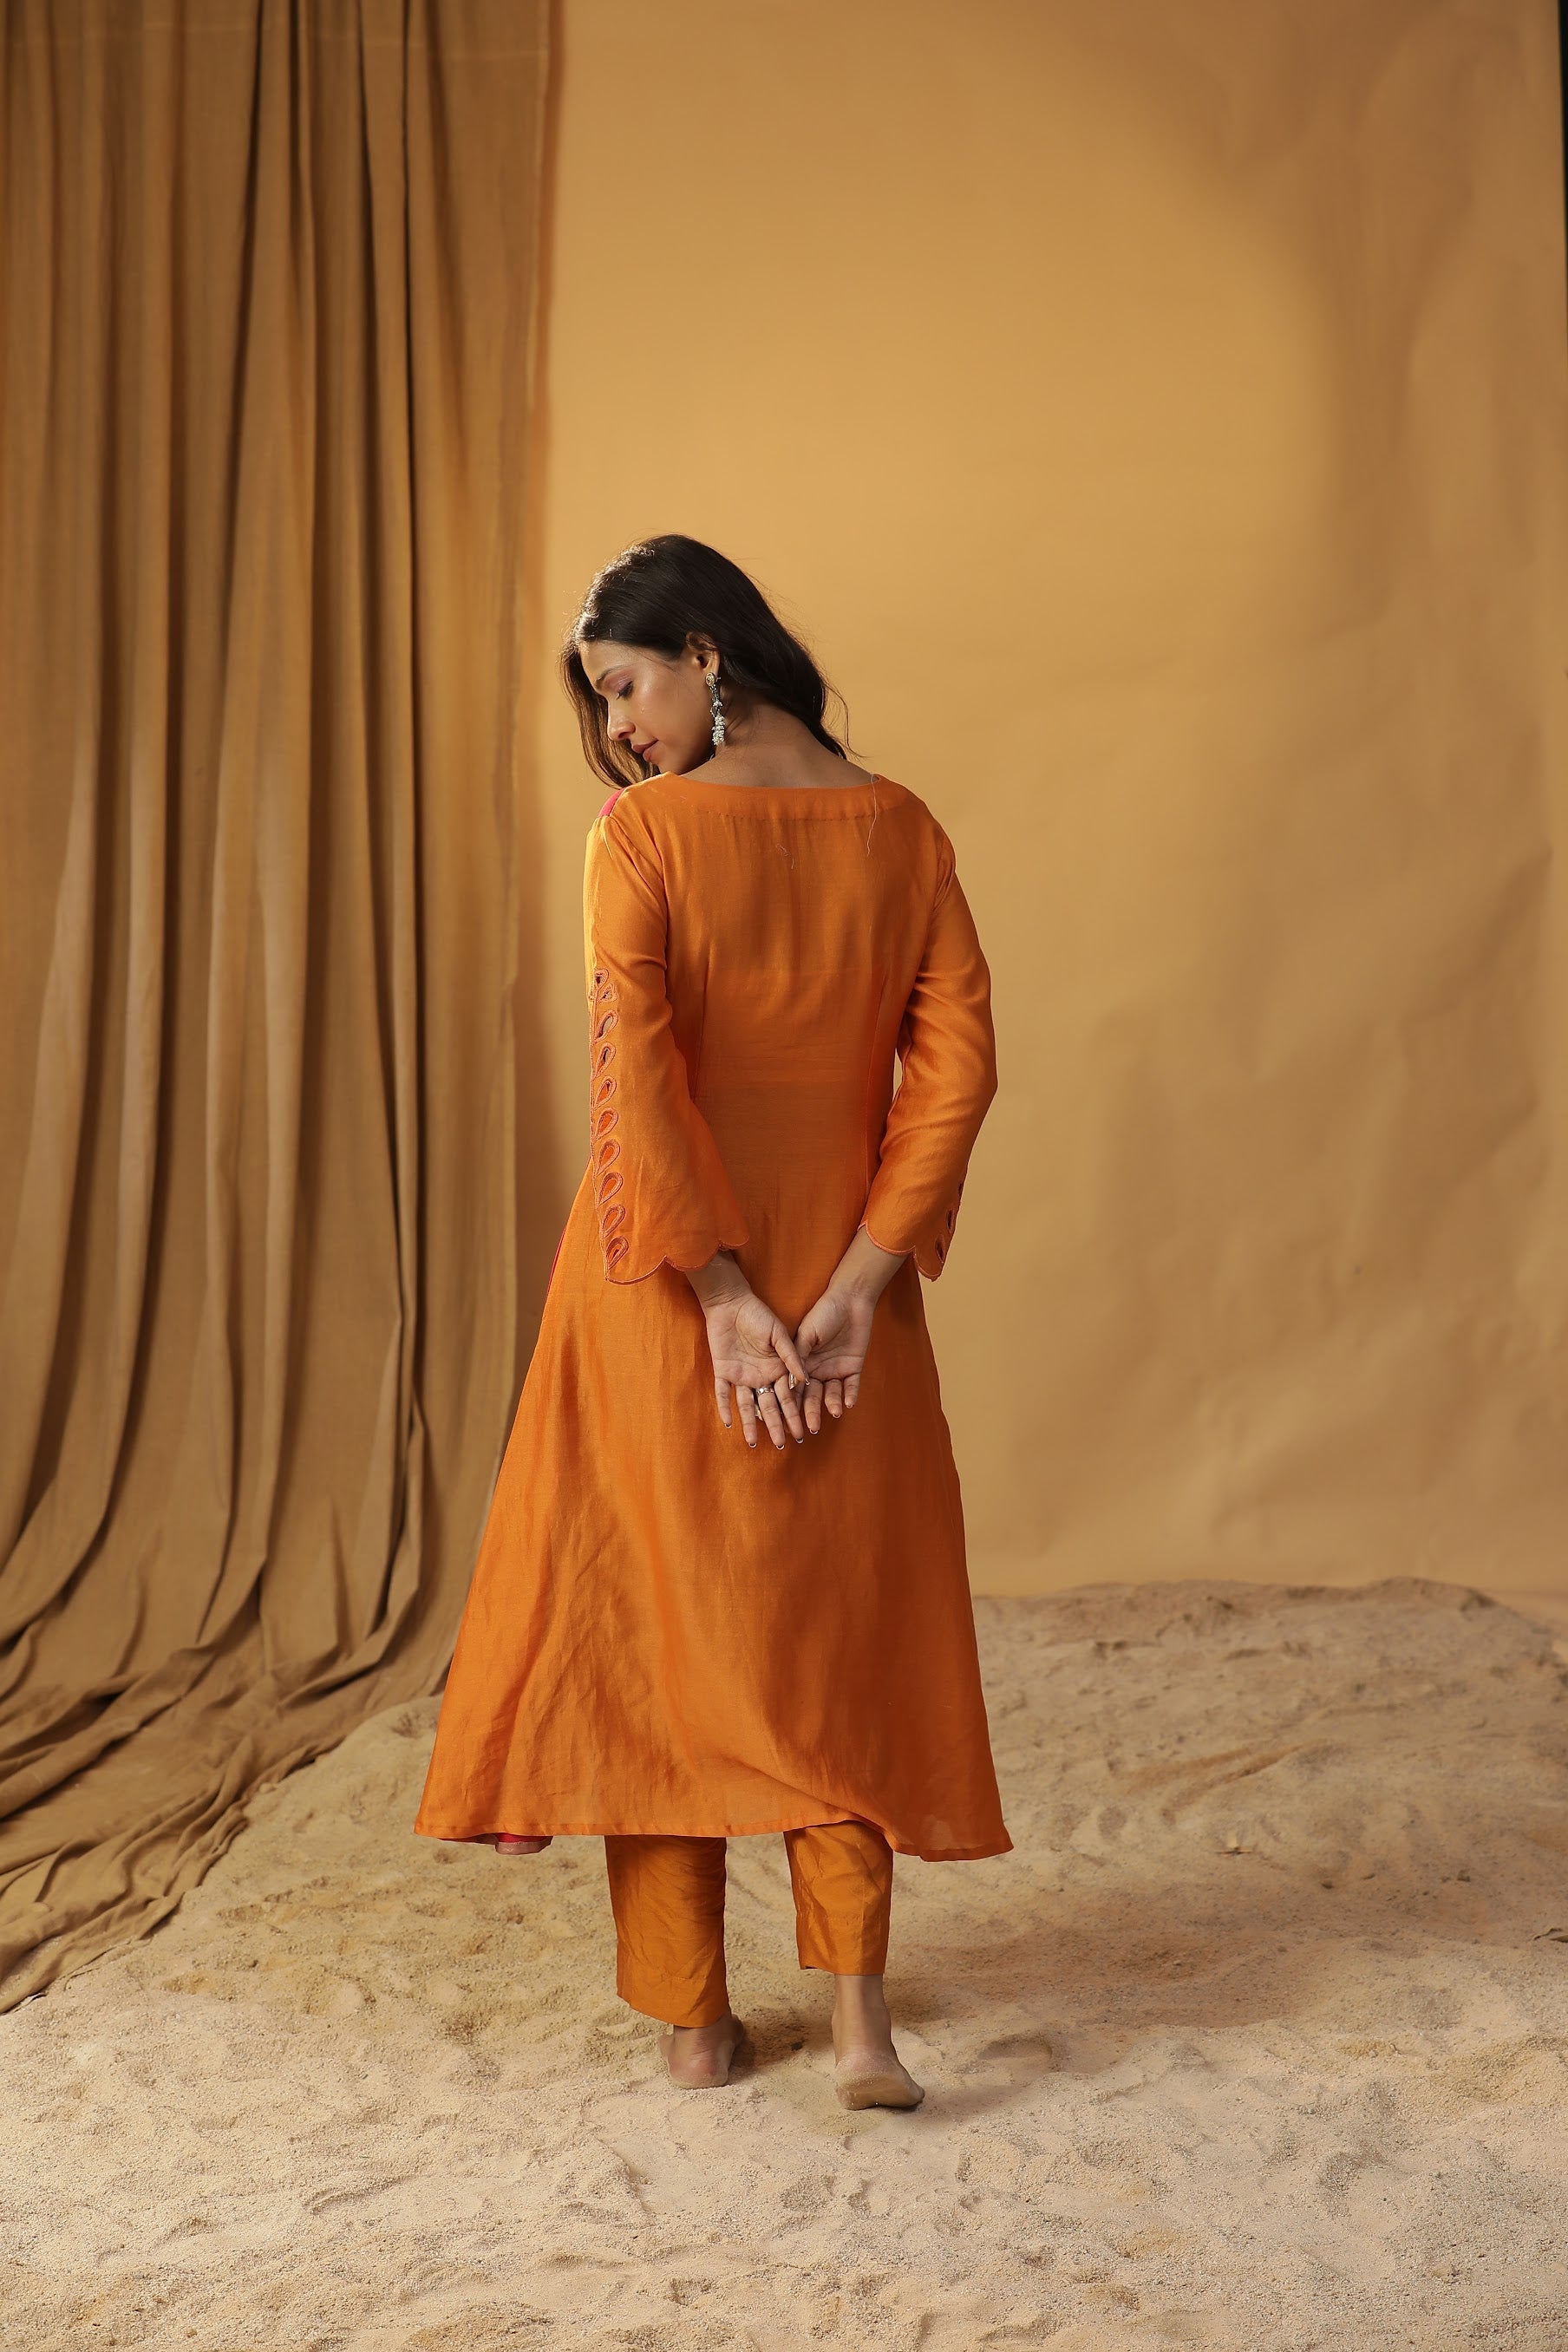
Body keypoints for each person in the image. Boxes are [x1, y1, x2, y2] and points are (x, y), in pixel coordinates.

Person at [415, 533, 1009, 2107]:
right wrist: (858, 1291)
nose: (618, 731)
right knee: (837, 1631)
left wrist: (728, 1300)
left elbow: (637, 1079)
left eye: (624, 687)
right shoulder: (903, 829)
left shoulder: (647, 836)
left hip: (664, 1284)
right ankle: (863, 2029)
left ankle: (696, 2025)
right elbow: (957, 1075)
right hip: (847, 1295)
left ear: (703, 652)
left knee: (656, 1633)